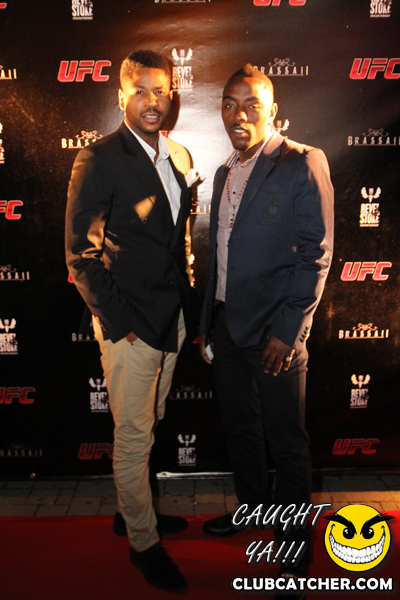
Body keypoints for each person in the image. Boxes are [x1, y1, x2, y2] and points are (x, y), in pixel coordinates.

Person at [65, 50, 200, 593]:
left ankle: (130, 512)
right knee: (134, 433)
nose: (151, 101)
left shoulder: (180, 154)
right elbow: (81, 256)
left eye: (160, 90)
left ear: (172, 96)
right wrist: (120, 324)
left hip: (174, 318)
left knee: (153, 419)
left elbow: (178, 238)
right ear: (121, 96)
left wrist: (189, 304)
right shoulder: (98, 158)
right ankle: (143, 543)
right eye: (140, 90)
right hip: (131, 323)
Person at [200, 64, 334, 598]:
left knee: (286, 441)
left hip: (276, 334)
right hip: (228, 328)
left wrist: (290, 330)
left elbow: (316, 255)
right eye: (230, 104)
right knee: (240, 431)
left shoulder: (302, 162)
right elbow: (220, 254)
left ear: (273, 110)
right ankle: (253, 511)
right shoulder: (224, 172)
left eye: (251, 104)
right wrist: (209, 325)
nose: (239, 115)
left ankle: (293, 545)